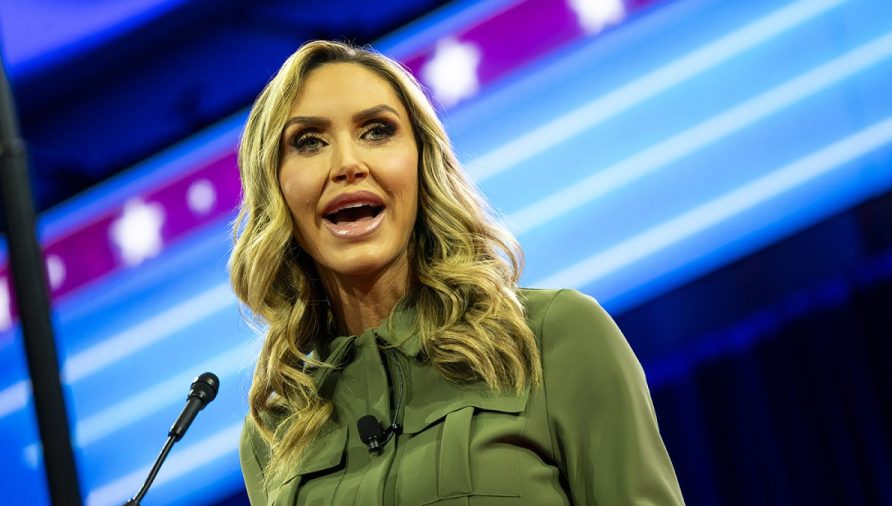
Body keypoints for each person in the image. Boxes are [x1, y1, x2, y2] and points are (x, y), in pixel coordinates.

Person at [230, 40, 684, 505]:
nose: (347, 164)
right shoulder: (274, 434)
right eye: (309, 142)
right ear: (276, 190)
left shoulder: (554, 337)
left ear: (423, 165)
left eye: (376, 131)